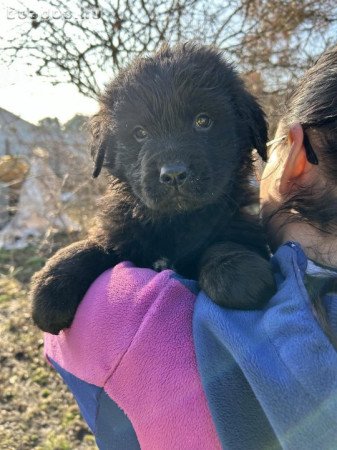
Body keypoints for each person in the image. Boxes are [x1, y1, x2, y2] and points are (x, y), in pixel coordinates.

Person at [43, 46, 337, 450]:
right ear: (107, 151)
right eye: (140, 134)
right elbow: (109, 246)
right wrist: (85, 259)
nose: (172, 166)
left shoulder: (241, 227)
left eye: (202, 121)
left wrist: (222, 256)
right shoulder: (122, 229)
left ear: (245, 131)